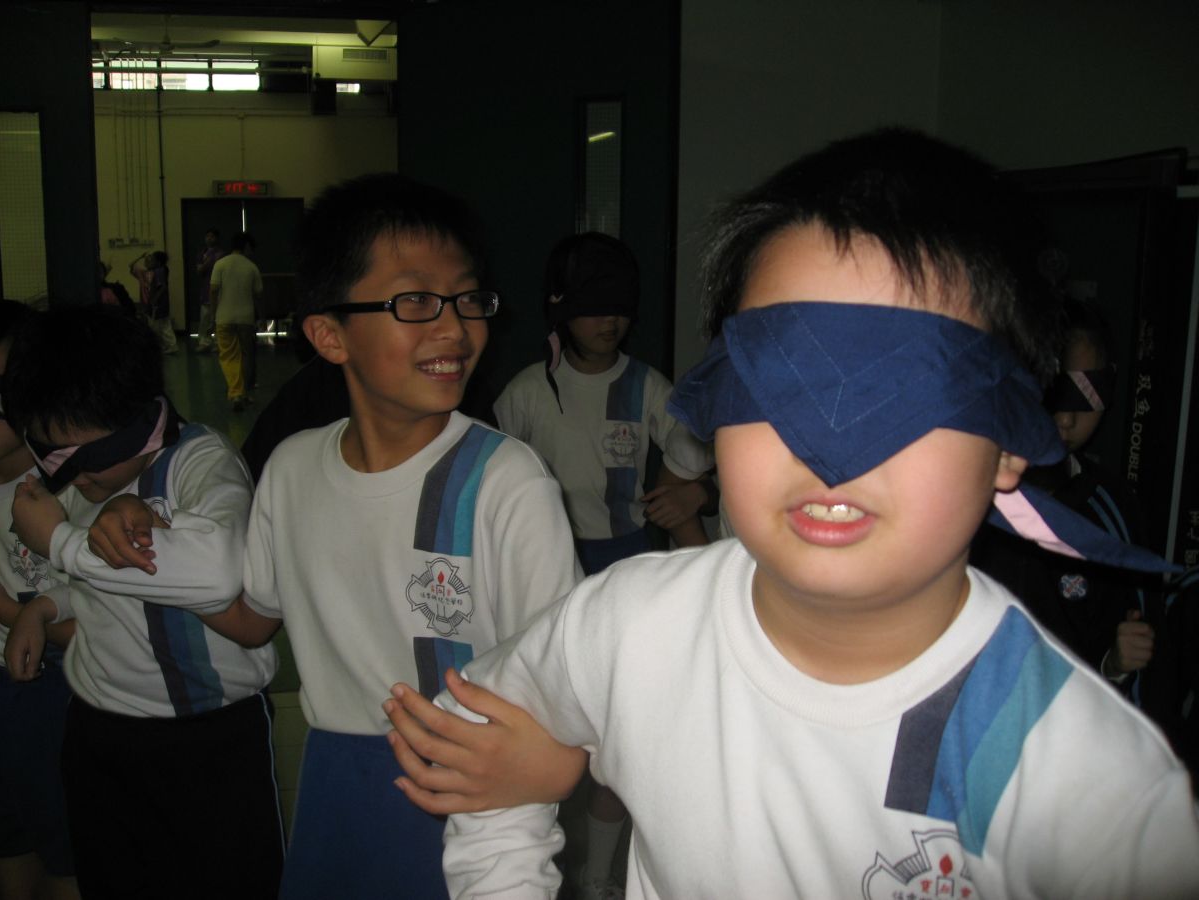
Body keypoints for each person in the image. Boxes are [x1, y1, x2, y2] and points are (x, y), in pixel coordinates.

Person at [383, 129, 1199, 898]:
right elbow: (474, 741)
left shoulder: (1087, 785)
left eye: (911, 393)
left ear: (1010, 443)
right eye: (780, 383)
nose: (830, 450)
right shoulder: (629, 628)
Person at [198, 173, 581, 900]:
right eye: (414, 302)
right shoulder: (292, 469)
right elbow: (253, 618)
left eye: (467, 299)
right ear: (328, 335)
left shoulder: (504, 483)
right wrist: (142, 557)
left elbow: (566, 683)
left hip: (463, 792)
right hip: (331, 786)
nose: (454, 328)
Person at [2, 306, 283, 900]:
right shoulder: (87, 480)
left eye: (80, 456)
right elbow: (106, 590)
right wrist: (46, 607)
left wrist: (60, 542)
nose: (73, 479)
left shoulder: (199, 463)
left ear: (138, 423)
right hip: (99, 730)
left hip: (205, 739)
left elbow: (218, 574)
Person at [493, 232, 713, 897]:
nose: (608, 320)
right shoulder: (527, 393)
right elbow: (489, 485)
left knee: (623, 734)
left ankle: (596, 877)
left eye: (619, 306)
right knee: (541, 728)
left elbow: (697, 450)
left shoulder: (647, 386)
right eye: (592, 307)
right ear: (561, 310)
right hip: (546, 578)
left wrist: (695, 491)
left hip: (629, 570)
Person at [973, 300, 1161, 693]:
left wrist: (1115, 664)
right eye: (1057, 391)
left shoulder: (1113, 511)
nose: (1066, 418)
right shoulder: (970, 497)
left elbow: (1129, 653)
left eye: (1087, 393)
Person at [0, 301, 79, 900]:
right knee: (11, 841)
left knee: (64, 849)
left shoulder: (75, 487)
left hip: (54, 688)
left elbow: (102, 627)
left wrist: (12, 613)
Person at [211, 232, 263, 412]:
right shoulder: (251, 267)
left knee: (229, 356)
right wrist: (261, 317)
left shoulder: (220, 264)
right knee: (246, 356)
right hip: (246, 319)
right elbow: (258, 296)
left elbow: (213, 291)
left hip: (224, 318)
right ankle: (243, 393)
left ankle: (236, 393)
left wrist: (213, 315)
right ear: (246, 247)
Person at [129, 251, 177, 354]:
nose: (149, 262)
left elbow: (162, 287)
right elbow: (131, 266)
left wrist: (154, 300)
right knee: (161, 325)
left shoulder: (159, 271)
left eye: (152, 260)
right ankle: (167, 345)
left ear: (158, 262)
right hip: (155, 304)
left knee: (161, 325)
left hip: (159, 304)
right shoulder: (149, 272)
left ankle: (171, 345)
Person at [194, 228, 224, 353]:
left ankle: (218, 343)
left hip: (220, 289)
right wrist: (209, 260)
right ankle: (204, 342)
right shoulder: (202, 253)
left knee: (219, 318)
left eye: (212, 236)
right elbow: (199, 270)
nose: (209, 238)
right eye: (207, 236)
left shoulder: (222, 254)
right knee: (205, 317)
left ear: (217, 238)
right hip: (206, 289)